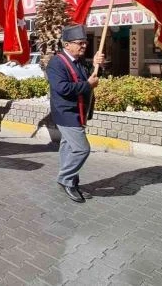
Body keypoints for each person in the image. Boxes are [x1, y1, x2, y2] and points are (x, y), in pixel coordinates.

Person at [47, 25, 104, 203]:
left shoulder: (79, 61)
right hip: (66, 113)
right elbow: (63, 88)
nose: (84, 46)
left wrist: (96, 65)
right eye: (80, 43)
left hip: (79, 111)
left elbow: (90, 78)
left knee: (68, 147)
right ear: (67, 44)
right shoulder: (56, 63)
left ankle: (70, 180)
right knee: (81, 149)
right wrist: (87, 85)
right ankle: (65, 180)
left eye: (85, 43)